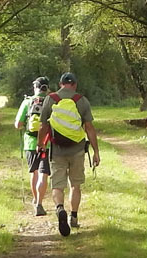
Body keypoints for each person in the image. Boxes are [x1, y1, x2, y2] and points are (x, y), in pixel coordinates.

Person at [36, 71, 100, 236]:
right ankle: (73, 217)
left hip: (57, 150)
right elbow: (90, 128)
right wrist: (96, 151)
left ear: (60, 84)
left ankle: (59, 209)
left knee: (57, 184)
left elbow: (43, 126)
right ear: (75, 85)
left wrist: (40, 144)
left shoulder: (51, 99)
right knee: (75, 184)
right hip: (78, 149)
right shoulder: (81, 101)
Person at [13, 76, 52, 216]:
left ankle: (35, 200)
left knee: (34, 172)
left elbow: (18, 124)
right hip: (46, 143)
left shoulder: (27, 102)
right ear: (47, 88)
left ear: (35, 87)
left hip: (30, 142)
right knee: (44, 173)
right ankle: (40, 203)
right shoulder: (51, 102)